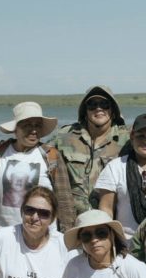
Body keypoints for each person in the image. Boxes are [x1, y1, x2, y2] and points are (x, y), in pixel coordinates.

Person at [0, 102, 74, 230]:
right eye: (27, 125)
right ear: (15, 129)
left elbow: (64, 200)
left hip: (43, 235)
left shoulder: (51, 156)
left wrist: (66, 235)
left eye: (37, 126)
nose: (34, 130)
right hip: (3, 232)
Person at [53, 85, 131, 220]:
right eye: (92, 104)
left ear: (113, 110)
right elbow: (39, 151)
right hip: (72, 221)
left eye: (104, 104)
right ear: (85, 111)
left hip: (111, 220)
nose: (98, 108)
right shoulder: (65, 136)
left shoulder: (127, 138)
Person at [95, 113, 146, 244]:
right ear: (132, 136)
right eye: (141, 136)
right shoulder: (115, 167)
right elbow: (106, 208)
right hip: (126, 243)